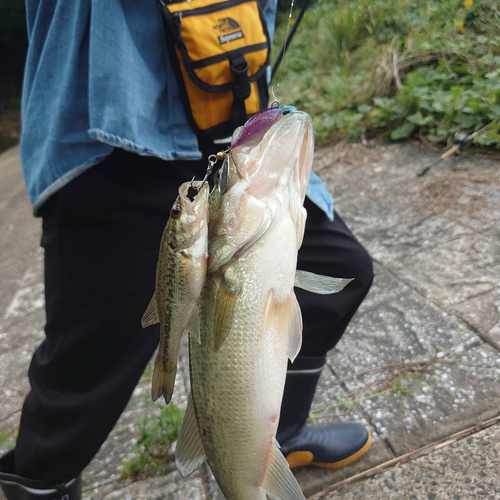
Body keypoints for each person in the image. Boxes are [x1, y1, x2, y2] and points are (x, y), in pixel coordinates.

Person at [0, 1, 374, 498]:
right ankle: (37, 483)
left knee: (339, 268)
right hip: (111, 144)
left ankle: (273, 437)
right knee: (84, 373)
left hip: (235, 137)